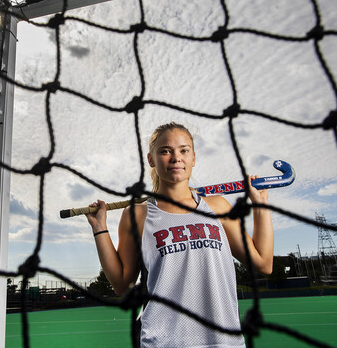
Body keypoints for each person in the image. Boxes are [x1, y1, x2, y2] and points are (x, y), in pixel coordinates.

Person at [85, 122, 273, 348]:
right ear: (151, 160)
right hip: (163, 342)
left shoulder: (219, 208)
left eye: (184, 150)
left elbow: (263, 263)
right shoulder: (137, 214)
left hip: (224, 342)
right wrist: (100, 228)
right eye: (165, 151)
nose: (176, 158)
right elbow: (122, 285)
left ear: (193, 158)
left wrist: (261, 207)